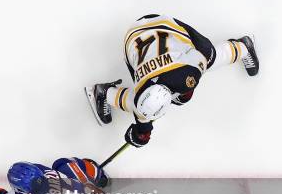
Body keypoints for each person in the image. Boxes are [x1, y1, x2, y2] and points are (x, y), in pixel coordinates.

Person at [85, 14, 259, 148]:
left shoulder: (182, 77)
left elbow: (205, 51)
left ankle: (243, 46)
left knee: (210, 59)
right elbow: (142, 120)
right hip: (143, 31)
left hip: (148, 31)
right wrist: (141, 134)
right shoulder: (141, 99)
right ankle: (104, 93)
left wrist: (141, 136)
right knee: (140, 93)